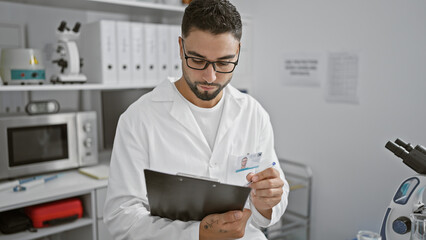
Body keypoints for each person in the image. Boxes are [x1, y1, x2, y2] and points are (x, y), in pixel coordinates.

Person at [103, 0, 290, 239]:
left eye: (223, 62)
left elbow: (269, 202)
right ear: (181, 48)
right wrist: (197, 233)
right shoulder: (138, 119)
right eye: (198, 60)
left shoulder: (253, 114)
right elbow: (121, 218)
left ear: (238, 52)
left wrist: (266, 202)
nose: (210, 76)